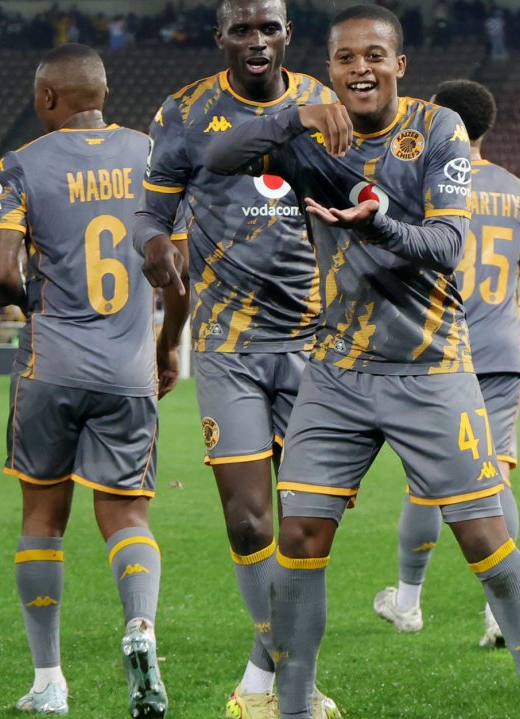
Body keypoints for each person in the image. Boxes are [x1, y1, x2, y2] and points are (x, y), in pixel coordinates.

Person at [204, 6, 520, 719]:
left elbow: (446, 245)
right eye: (343, 59)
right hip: (336, 371)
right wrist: (290, 119)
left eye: (374, 55)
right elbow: (215, 159)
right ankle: (296, 706)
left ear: (400, 65)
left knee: (486, 539)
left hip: (431, 368)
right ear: (329, 68)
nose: (359, 69)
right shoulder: (306, 136)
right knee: (300, 535)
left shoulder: (437, 130)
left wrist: (381, 223)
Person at [135, 1, 339, 715]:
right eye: (242, 29)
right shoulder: (185, 112)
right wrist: (156, 247)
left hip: (317, 340)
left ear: (289, 34)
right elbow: (151, 214)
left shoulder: (325, 101)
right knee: (251, 521)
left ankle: (263, 677)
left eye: (269, 28)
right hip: (228, 343)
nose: (257, 41)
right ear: (220, 36)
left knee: (307, 523)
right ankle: (294, 683)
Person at [0, 43, 171, 719]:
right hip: (128, 367)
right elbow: (176, 262)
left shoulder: (21, 165)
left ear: (47, 100)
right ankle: (141, 629)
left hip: (51, 365)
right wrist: (164, 342)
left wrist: (38, 306)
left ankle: (49, 680)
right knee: (127, 514)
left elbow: (1, 270)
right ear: (104, 92)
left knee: (42, 520)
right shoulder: (151, 155)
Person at [373, 79, 520, 649]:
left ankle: (408, 602)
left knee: (426, 481)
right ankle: (500, 611)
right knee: (493, 477)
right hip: (501, 352)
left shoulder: (418, 180)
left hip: (436, 346)